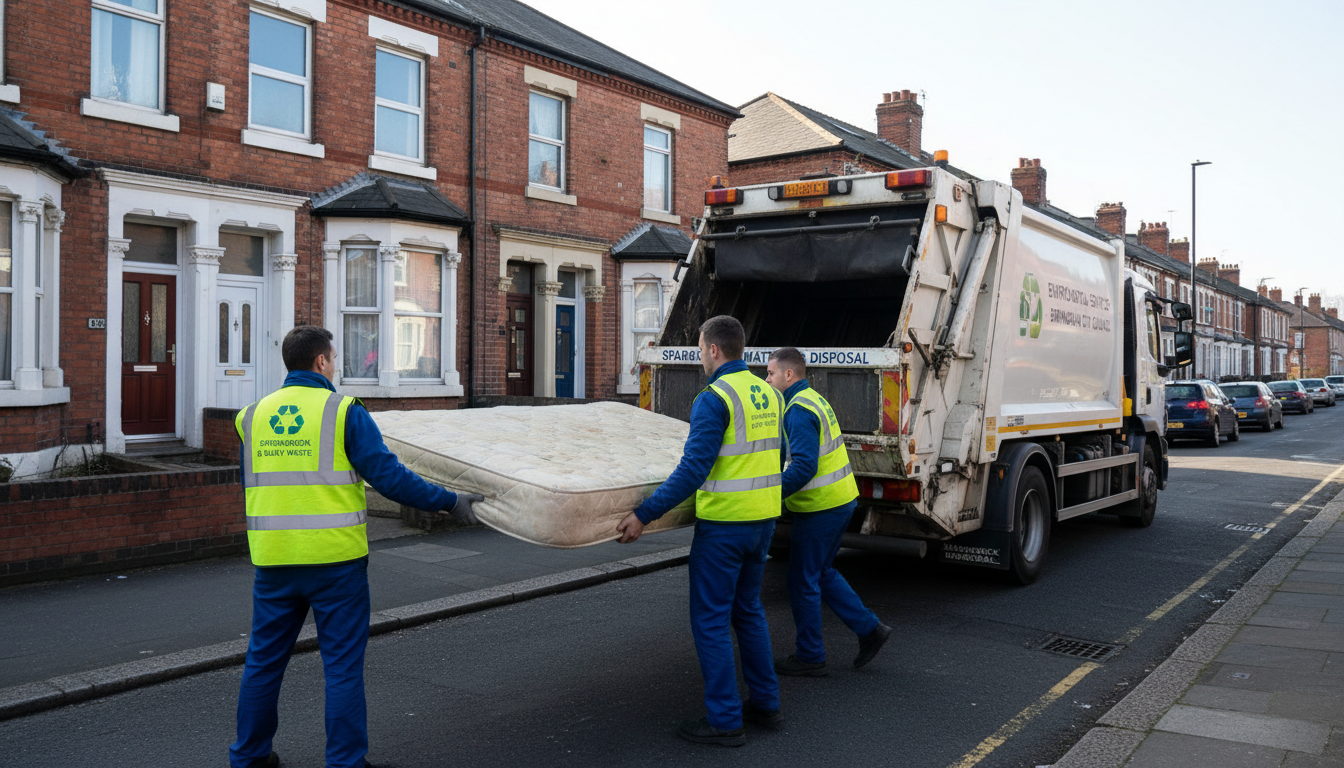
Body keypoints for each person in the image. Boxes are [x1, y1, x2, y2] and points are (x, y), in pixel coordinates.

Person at [229, 325, 482, 768]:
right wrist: (450, 502)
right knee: (341, 667)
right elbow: (390, 478)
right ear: (321, 362)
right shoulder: (343, 411)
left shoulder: (250, 416)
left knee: (263, 663)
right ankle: (345, 762)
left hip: (272, 561)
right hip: (335, 563)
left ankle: (249, 757)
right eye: (334, 357)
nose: (337, 364)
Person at [617, 315, 783, 748]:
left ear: (713, 349)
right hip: (763, 520)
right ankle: (766, 703)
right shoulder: (769, 392)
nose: (699, 354)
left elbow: (693, 470)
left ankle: (725, 719)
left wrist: (643, 514)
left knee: (710, 622)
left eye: (699, 346)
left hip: (725, 526)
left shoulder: (714, 398)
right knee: (748, 612)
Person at [764, 346, 891, 677]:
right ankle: (870, 630)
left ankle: (810, 656)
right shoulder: (813, 399)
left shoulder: (797, 410)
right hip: (840, 500)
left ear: (788, 374)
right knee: (820, 572)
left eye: (771, 373)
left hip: (821, 508)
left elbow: (804, 465)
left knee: (802, 579)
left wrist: (770, 496)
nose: (767, 378)